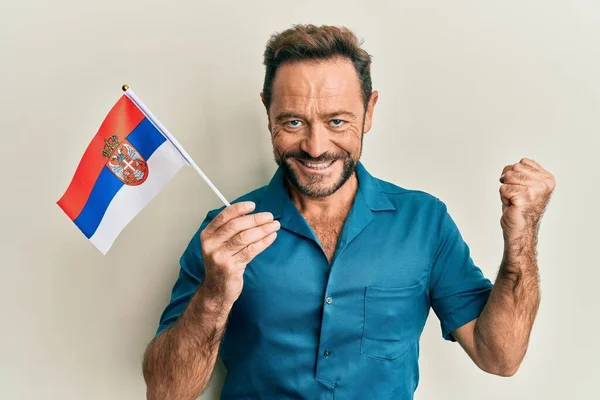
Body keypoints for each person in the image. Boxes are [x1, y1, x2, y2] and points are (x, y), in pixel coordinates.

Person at [141, 24, 556, 400]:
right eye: (293, 122)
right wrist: (214, 295)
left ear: (369, 111)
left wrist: (522, 236)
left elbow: (500, 357)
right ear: (267, 111)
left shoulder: (425, 222)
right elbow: (166, 391)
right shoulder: (225, 233)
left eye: (337, 121)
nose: (316, 146)